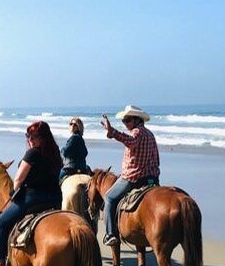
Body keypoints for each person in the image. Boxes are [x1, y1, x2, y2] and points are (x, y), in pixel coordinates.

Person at [0, 121, 63, 266]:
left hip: (33, 199)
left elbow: (18, 179)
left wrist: (13, 192)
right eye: (28, 135)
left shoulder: (32, 154)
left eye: (34, 136)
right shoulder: (55, 153)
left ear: (43, 137)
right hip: (55, 198)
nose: (30, 139)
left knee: (1, 222)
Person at [100, 105, 160, 246]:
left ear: (136, 120)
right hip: (152, 179)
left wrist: (112, 132)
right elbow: (156, 158)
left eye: (127, 120)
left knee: (109, 197)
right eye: (124, 121)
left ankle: (110, 234)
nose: (125, 124)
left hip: (134, 178)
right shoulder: (150, 134)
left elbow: (130, 140)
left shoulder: (137, 132)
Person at [59, 117, 90, 182]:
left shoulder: (73, 138)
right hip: (82, 169)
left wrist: (61, 151)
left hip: (70, 169)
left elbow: (65, 152)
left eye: (75, 124)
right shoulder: (81, 139)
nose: (72, 125)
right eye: (71, 124)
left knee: (54, 182)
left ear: (79, 127)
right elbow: (85, 153)